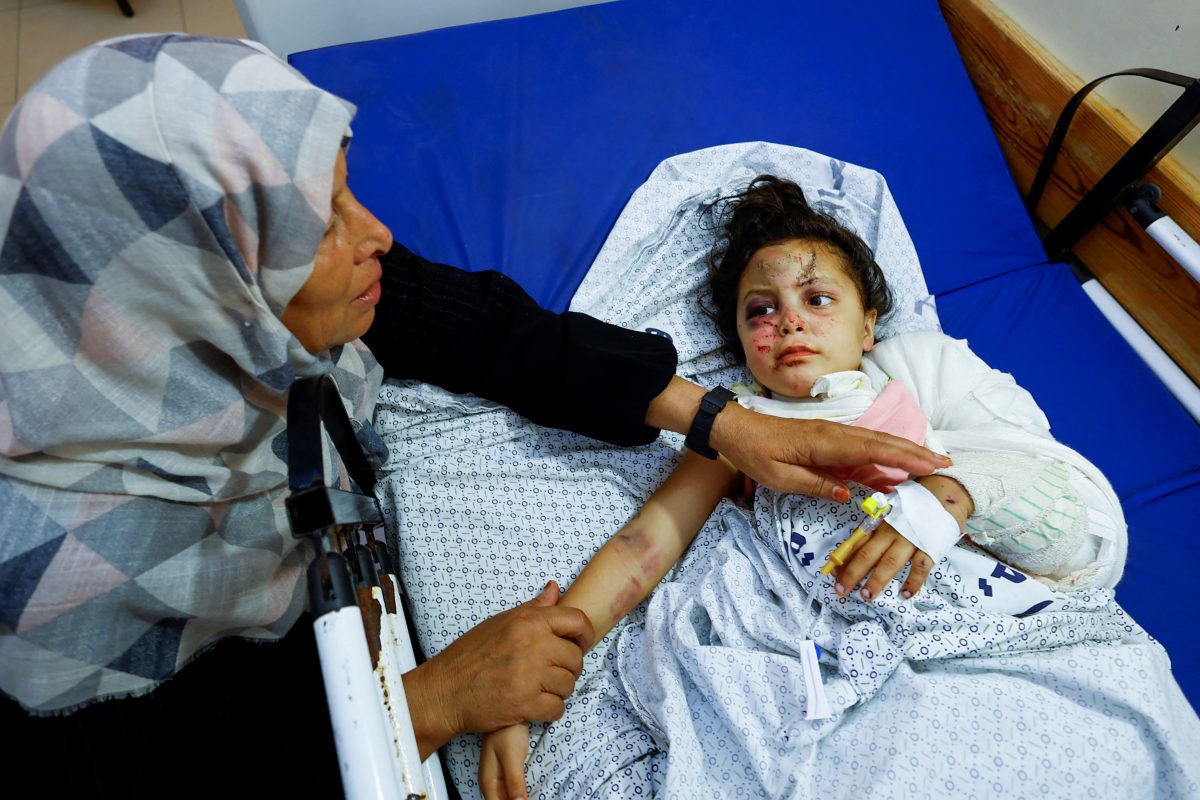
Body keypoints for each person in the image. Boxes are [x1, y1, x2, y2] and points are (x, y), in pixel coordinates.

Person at [0, 38, 946, 795]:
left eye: (348, 187)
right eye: (321, 222)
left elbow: (493, 332)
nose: (376, 234)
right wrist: (424, 702)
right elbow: (133, 770)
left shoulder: (199, 322)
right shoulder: (44, 568)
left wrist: (730, 425)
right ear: (193, 278)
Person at [478, 176, 1195, 799]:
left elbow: (1066, 500)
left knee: (1106, 736)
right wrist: (536, 677)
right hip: (821, 642)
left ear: (870, 323)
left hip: (963, 607)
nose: (787, 318)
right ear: (737, 340)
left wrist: (947, 499)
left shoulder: (917, 369)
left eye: (817, 298)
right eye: (759, 310)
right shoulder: (737, 421)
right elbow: (644, 547)